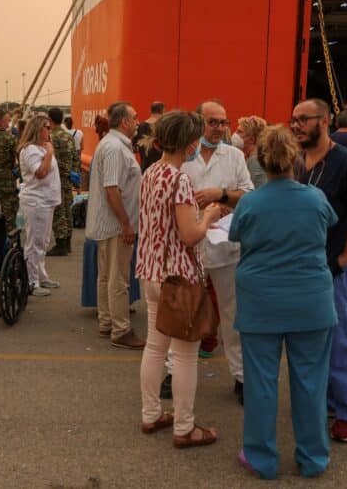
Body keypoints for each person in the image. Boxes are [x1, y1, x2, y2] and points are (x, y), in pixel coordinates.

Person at [231, 125, 337, 480]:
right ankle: (313, 457)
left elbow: (237, 235)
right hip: (311, 299)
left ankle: (261, 457)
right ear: (295, 158)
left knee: (261, 382)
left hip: (261, 300)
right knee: (310, 382)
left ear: (260, 160)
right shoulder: (316, 198)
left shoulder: (250, 202)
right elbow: (328, 229)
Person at [292, 98, 347, 443]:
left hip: (334, 268)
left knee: (342, 341)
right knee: (311, 341)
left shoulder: (346, 163)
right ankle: (328, 400)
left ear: (324, 121)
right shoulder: (298, 163)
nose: (296, 125)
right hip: (303, 268)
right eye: (294, 119)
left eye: (304, 119)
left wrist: (346, 255)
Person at [137, 110, 222, 449]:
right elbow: (189, 235)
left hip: (152, 272)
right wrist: (210, 216)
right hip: (179, 277)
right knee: (185, 354)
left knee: (155, 346)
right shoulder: (180, 179)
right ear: (190, 145)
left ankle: (151, 413)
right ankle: (185, 427)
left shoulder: (151, 173)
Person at [182, 99, 255, 404]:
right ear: (199, 122)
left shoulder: (234, 156)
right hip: (190, 245)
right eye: (213, 122)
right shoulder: (184, 156)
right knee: (184, 312)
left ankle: (240, 377)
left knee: (233, 314)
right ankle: (175, 371)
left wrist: (222, 196)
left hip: (226, 245)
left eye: (223, 122)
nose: (219, 128)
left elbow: (249, 194)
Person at [85, 102, 144, 349]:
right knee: (118, 278)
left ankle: (107, 322)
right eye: (135, 117)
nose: (138, 121)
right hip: (115, 226)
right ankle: (120, 329)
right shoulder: (115, 149)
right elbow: (112, 189)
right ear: (125, 122)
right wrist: (126, 224)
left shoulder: (111, 145)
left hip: (108, 224)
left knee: (107, 276)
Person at [17, 115, 61, 297]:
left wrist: (48, 151)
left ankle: (41, 275)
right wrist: (50, 153)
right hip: (36, 201)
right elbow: (41, 172)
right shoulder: (30, 150)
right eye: (47, 127)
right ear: (37, 129)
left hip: (46, 200)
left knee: (43, 241)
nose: (50, 130)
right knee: (34, 242)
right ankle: (32, 281)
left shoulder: (41, 148)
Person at [48, 107, 78, 256]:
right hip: (68, 179)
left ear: (50, 120)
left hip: (56, 179)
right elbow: (75, 158)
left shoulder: (52, 137)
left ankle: (60, 245)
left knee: (59, 212)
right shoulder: (69, 137)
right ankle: (67, 243)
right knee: (68, 211)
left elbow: (52, 160)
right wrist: (74, 174)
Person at [236, 115, 268, 188]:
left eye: (239, 132)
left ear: (251, 139)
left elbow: (257, 191)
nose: (235, 135)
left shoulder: (255, 161)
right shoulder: (254, 158)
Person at [134, 101, 165, 173]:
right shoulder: (163, 127)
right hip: (160, 170)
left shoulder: (140, 127)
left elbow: (135, 148)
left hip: (144, 169)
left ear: (150, 111)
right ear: (163, 111)